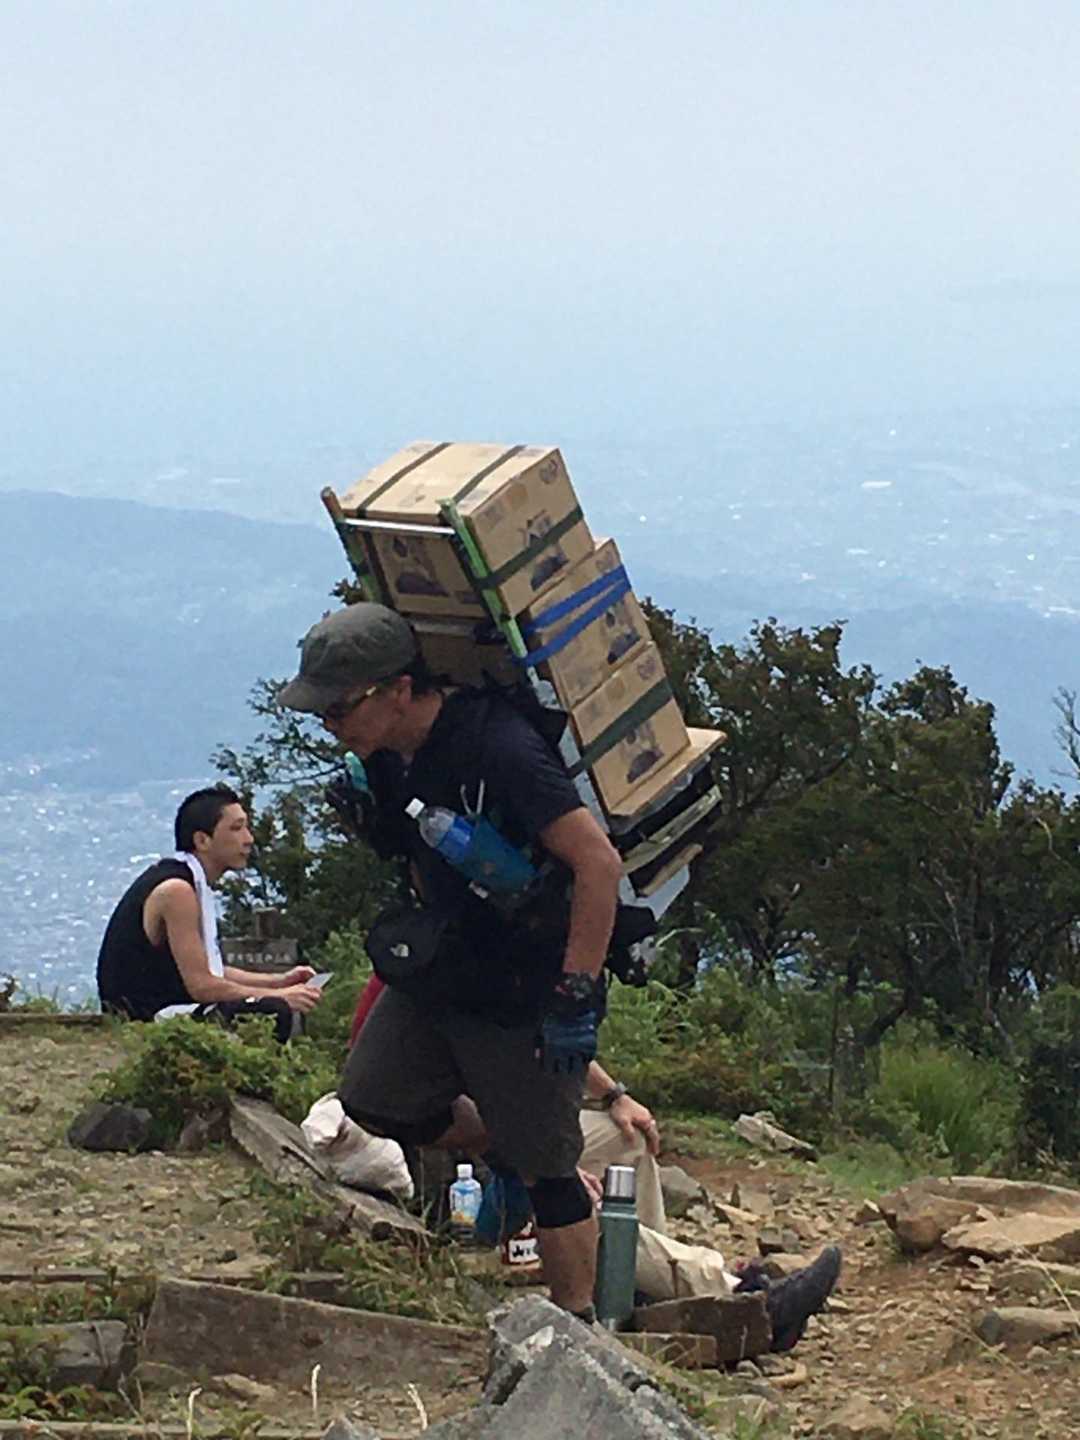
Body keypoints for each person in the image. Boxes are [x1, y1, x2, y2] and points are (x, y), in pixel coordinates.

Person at [278, 601, 624, 1320]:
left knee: (551, 1172)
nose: (330, 725)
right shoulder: (388, 762)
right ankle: (508, 1144)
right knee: (372, 1097)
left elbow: (597, 863)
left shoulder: (499, 749)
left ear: (400, 690)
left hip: (523, 982)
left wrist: (577, 990)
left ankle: (578, 1328)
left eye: (340, 708)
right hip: (442, 970)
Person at [347, 971, 841, 1349]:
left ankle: (640, 1288)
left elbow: (545, 1039)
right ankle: (738, 1296)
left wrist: (613, 1096)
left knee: (626, 1140)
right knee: (572, 1202)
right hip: (456, 1162)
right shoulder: (453, 972)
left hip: (484, 1128)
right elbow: (498, 1077)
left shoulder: (483, 955)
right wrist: (535, 1156)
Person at [96, 783, 323, 1040]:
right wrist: (278, 996)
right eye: (236, 828)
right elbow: (202, 986)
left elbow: (209, 970)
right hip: (146, 1016)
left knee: (268, 1005)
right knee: (271, 1011)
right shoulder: (177, 891)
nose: (248, 839)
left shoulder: (187, 882)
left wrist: (278, 981)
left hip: (162, 1006)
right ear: (202, 840)